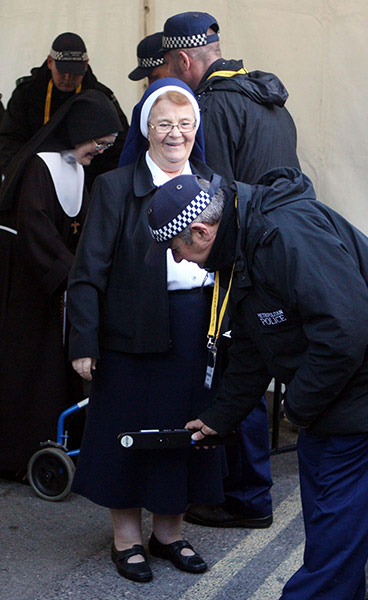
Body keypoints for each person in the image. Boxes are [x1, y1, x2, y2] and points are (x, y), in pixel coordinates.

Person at [147, 170, 368, 600]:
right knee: (335, 541)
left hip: (353, 404)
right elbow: (252, 348)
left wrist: (298, 407)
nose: (178, 260)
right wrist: (220, 418)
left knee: (332, 550)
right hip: (334, 403)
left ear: (200, 230)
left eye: (176, 249)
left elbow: (346, 330)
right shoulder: (238, 247)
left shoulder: (284, 234)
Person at [66, 78, 227, 584]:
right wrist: (83, 341)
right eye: (164, 124)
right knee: (125, 438)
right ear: (146, 128)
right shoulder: (115, 185)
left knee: (185, 434)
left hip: (196, 326)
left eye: (185, 124)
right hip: (129, 335)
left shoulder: (213, 182)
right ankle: (126, 540)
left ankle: (169, 534)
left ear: (195, 128)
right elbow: (87, 271)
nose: (175, 134)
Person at [161, 10, 300, 529]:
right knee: (253, 363)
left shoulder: (213, 108)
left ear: (180, 59)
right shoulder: (270, 100)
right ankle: (248, 491)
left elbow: (208, 198)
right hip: (276, 245)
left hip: (239, 254)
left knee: (233, 370)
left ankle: (243, 497)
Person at [0, 89, 123, 479]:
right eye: (99, 143)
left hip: (55, 282)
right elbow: (36, 233)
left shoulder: (75, 166)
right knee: (29, 367)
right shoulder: (40, 166)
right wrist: (76, 274)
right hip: (28, 284)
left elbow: (79, 227)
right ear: (81, 131)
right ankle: (19, 454)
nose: (101, 151)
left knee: (54, 366)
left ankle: (58, 441)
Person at [0, 32, 129, 190]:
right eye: (62, 72)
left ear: (86, 65)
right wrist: (22, 177)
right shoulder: (27, 93)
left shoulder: (101, 97)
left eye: (75, 73)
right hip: (36, 181)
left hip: (86, 184)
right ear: (50, 62)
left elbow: (119, 144)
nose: (68, 78)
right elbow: (9, 139)